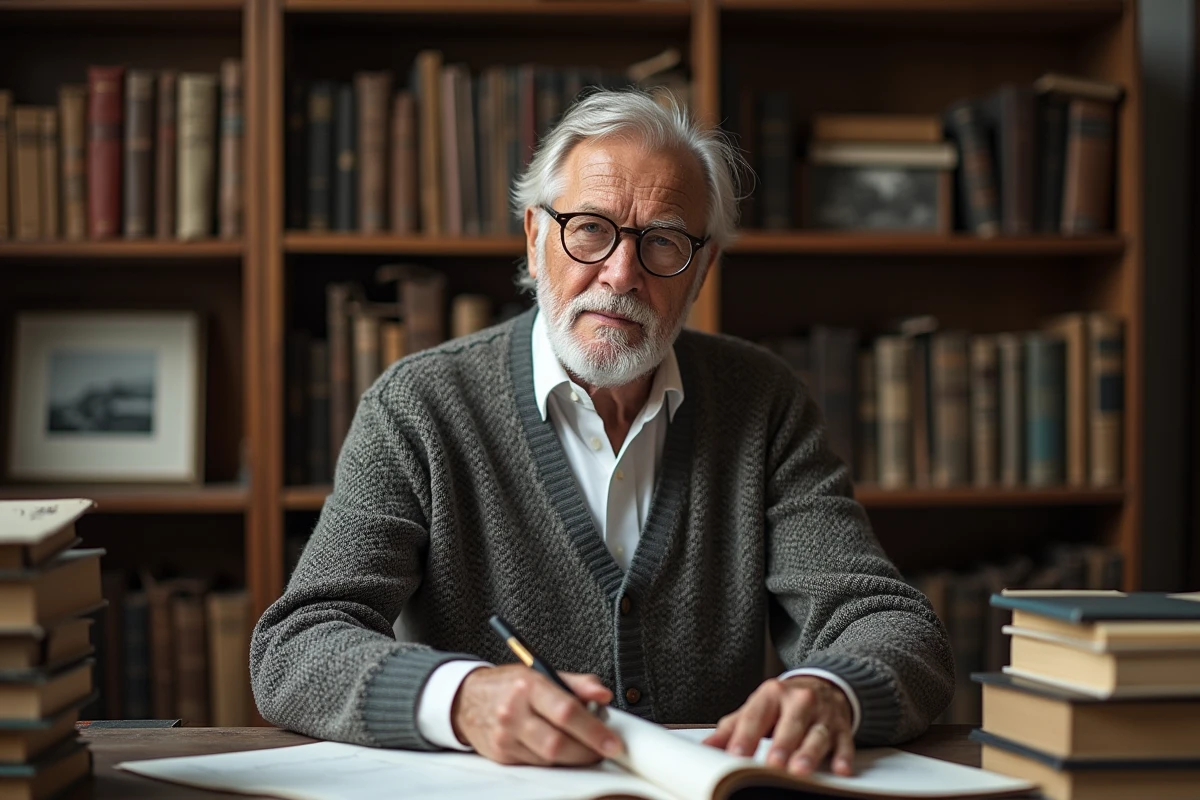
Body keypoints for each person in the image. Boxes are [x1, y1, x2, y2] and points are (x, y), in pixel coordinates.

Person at [250, 89, 954, 778]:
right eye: (590, 228)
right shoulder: (418, 406)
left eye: (663, 242)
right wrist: (461, 699)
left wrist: (832, 691)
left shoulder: (762, 401)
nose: (621, 274)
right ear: (535, 240)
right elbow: (297, 645)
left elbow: (890, 625)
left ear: (702, 270)